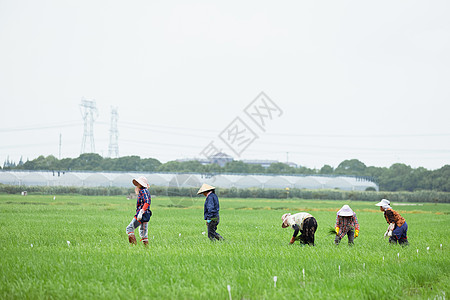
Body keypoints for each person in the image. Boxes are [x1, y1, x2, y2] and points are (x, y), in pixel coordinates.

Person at [126, 176, 152, 246]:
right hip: (145, 214)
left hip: (142, 214)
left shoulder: (144, 191)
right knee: (143, 233)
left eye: (138, 183)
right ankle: (146, 249)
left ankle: (133, 247)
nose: (136, 184)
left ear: (141, 184)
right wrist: (137, 192)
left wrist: (141, 212)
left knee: (129, 228)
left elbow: (146, 202)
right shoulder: (143, 191)